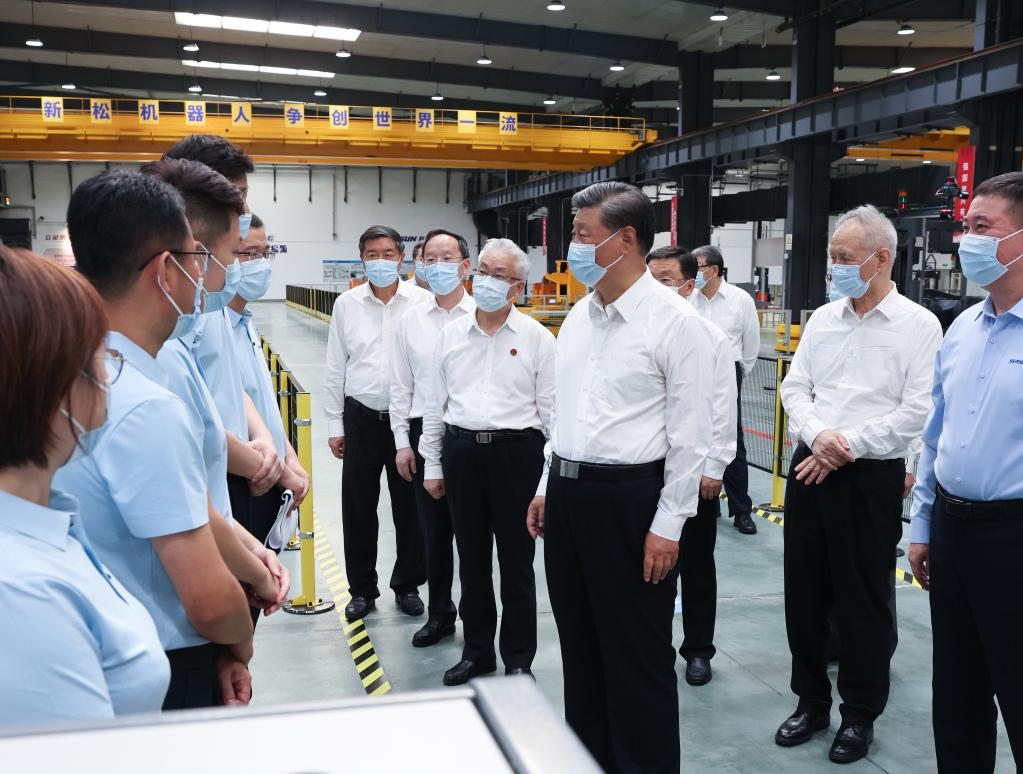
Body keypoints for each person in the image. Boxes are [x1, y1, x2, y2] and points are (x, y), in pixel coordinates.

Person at [529, 182, 715, 773]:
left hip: (631, 504)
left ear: (626, 239)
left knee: (635, 659)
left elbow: (691, 437)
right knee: (581, 651)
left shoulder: (676, 324)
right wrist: (547, 486)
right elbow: (565, 415)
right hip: (569, 496)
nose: (573, 247)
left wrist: (668, 526)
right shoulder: (580, 317)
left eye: (582, 235)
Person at [54, 171, 256, 710]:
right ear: (167, 270)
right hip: (164, 665)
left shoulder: (65, 370)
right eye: (196, 258)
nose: (205, 272)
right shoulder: (145, 405)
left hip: (92, 649)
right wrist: (241, 641)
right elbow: (210, 602)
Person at [777, 204, 942, 764]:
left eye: (844, 257)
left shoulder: (918, 326)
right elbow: (794, 388)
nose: (835, 268)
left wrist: (843, 445)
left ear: (882, 258)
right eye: (833, 257)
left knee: (863, 602)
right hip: (810, 469)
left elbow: (917, 410)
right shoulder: (825, 320)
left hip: (869, 477)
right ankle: (810, 702)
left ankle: (859, 714)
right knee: (804, 595)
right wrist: (819, 436)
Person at [0, 246, 170, 727]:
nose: (109, 377)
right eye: (102, 357)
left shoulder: (48, 520)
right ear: (52, 383)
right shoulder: (22, 594)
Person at [141, 160, 291, 631]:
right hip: (179, 624)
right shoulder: (152, 372)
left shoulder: (179, 343)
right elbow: (188, 519)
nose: (230, 272)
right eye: (230, 257)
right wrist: (244, 618)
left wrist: (253, 553)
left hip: (230, 515)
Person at [908, 171, 1023, 773]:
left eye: (983, 227)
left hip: (1015, 536)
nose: (966, 240)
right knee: (957, 693)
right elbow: (937, 435)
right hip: (954, 531)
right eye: (966, 226)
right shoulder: (962, 330)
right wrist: (923, 524)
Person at [421, 238, 554, 685]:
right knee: (471, 560)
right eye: (483, 271)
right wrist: (433, 464)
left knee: (517, 563)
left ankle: (518, 659)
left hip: (518, 456)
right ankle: (477, 652)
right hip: (461, 454)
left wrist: (545, 484)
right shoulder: (450, 336)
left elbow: (553, 416)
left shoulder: (537, 339)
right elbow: (435, 405)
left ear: (517, 287)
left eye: (499, 275)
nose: (487, 281)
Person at [164, 135, 288, 548]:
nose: (246, 209)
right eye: (238, 194)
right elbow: (195, 421)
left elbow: (230, 386)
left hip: (239, 470)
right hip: (222, 475)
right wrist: (260, 463)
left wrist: (270, 445)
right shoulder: (178, 315)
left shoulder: (214, 298)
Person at [325, 225, 432, 621]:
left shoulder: (422, 302)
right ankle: (362, 590)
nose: (381, 261)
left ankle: (408, 585)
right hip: (361, 418)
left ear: (401, 258)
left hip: (409, 421)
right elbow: (335, 366)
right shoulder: (347, 304)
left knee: (410, 509)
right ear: (362, 259)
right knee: (358, 508)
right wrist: (335, 425)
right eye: (373, 254)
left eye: (388, 254)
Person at [646, 245, 738, 687]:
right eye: (650, 278)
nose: (655, 288)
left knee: (697, 565)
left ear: (688, 286)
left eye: (665, 280)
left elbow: (722, 406)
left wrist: (715, 466)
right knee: (652, 565)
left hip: (697, 471)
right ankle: (654, 645)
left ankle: (698, 649)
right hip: (648, 470)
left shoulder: (708, 336)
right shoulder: (640, 332)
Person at [391, 228, 476, 648]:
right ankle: (440, 613)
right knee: (434, 532)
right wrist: (402, 442)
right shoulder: (410, 320)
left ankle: (478, 623)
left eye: (447, 258)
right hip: (424, 432)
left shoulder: (482, 314)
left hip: (469, 436)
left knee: (474, 538)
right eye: (430, 259)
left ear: (465, 266)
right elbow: (400, 385)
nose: (437, 266)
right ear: (420, 265)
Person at [230, 214, 311, 551]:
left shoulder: (245, 323)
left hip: (270, 475)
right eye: (249, 254)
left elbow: (261, 403)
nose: (260, 264)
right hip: (246, 479)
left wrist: (289, 456)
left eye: (265, 253)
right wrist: (282, 473)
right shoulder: (212, 329)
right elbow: (220, 419)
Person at [689, 244, 761, 535]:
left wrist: (738, 373)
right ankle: (708, 501)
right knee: (696, 434)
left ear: (714, 270)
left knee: (733, 440)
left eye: (697, 268)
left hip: (729, 371)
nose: (692, 274)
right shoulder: (690, 299)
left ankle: (741, 509)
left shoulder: (740, 300)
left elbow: (751, 344)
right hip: (693, 371)